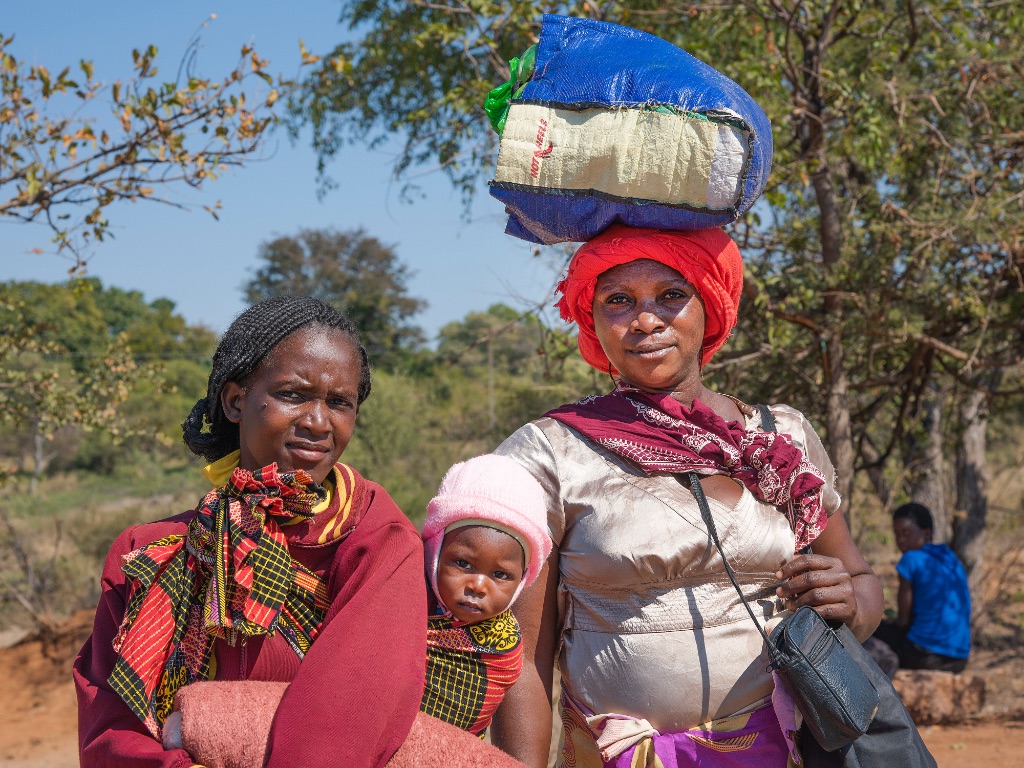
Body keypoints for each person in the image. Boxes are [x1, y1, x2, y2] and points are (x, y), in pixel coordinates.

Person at [488, 224, 884, 768]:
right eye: (618, 301)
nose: (646, 320)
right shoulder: (551, 453)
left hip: (785, 750)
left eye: (671, 295)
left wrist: (852, 603)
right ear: (594, 321)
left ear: (710, 307)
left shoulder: (779, 438)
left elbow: (861, 585)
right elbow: (523, 659)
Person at [73, 296, 427, 768]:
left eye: (340, 403)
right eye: (294, 395)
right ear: (237, 401)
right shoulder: (149, 552)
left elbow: (350, 715)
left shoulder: (376, 540)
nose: (319, 422)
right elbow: (111, 728)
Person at [419, 453, 552, 736]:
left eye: (500, 575)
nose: (478, 586)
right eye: (463, 564)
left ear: (522, 581)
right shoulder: (399, 602)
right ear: (435, 553)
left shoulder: (504, 648)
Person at [872, 502, 971, 673]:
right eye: (897, 534)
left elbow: (903, 622)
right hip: (959, 658)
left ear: (926, 533)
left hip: (924, 655)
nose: (900, 540)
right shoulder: (949, 556)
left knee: (870, 628)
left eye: (906, 533)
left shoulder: (910, 559)